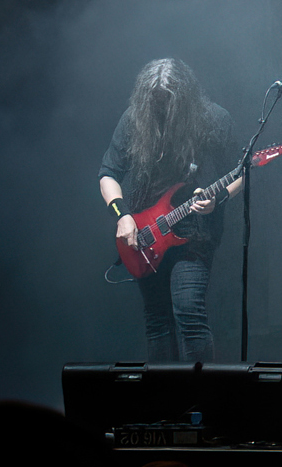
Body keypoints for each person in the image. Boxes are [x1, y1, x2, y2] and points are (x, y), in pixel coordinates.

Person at [99, 58, 242, 365]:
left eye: (168, 101)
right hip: (145, 234)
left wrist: (218, 199)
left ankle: (197, 393)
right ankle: (163, 393)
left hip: (194, 234)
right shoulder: (134, 119)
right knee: (157, 321)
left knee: (189, 312)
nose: (162, 107)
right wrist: (122, 215)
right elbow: (108, 173)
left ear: (186, 98)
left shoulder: (213, 118)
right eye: (155, 101)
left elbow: (239, 172)